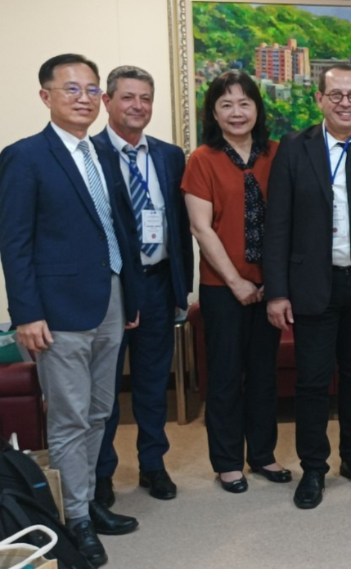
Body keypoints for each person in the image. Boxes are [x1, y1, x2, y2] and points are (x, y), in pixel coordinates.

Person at [0, 53, 143, 567]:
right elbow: (14, 243)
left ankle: (86, 502)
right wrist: (26, 313)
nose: (84, 99)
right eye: (71, 89)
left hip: (109, 299)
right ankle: (75, 520)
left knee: (101, 411)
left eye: (90, 89)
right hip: (56, 311)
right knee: (69, 417)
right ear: (46, 96)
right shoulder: (25, 156)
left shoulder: (101, 154)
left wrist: (129, 295)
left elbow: (117, 230)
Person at [264, 64, 351, 510]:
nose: (346, 102)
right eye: (336, 95)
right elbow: (278, 225)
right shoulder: (294, 148)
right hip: (312, 283)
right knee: (312, 381)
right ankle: (314, 468)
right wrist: (277, 291)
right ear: (320, 100)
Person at [182, 71, 288, 495]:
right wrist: (237, 282)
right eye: (226, 104)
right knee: (225, 375)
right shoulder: (202, 159)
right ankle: (227, 461)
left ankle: (262, 455)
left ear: (257, 109)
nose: (236, 112)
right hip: (222, 288)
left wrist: (274, 283)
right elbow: (201, 228)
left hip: (271, 286)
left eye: (244, 103)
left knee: (264, 374)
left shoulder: (277, 154)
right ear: (214, 112)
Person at [92, 65, 193, 506]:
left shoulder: (170, 155)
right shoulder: (90, 153)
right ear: (107, 102)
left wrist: (180, 289)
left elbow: (180, 223)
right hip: (110, 291)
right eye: (128, 97)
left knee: (154, 386)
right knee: (105, 392)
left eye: (146, 98)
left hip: (158, 285)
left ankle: (153, 465)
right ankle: (100, 474)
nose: (138, 106)